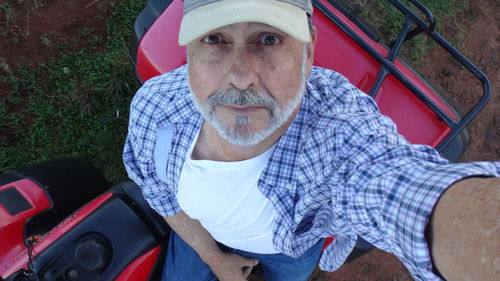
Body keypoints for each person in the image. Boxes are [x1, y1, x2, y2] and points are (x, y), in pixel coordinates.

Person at [123, 0, 499, 280]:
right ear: (189, 51)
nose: (240, 77)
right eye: (214, 39)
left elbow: (396, 188)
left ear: (308, 49)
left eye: (268, 39)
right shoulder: (156, 110)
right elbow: (161, 194)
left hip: (290, 252)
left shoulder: (336, 132)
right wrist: (213, 257)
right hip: (198, 238)